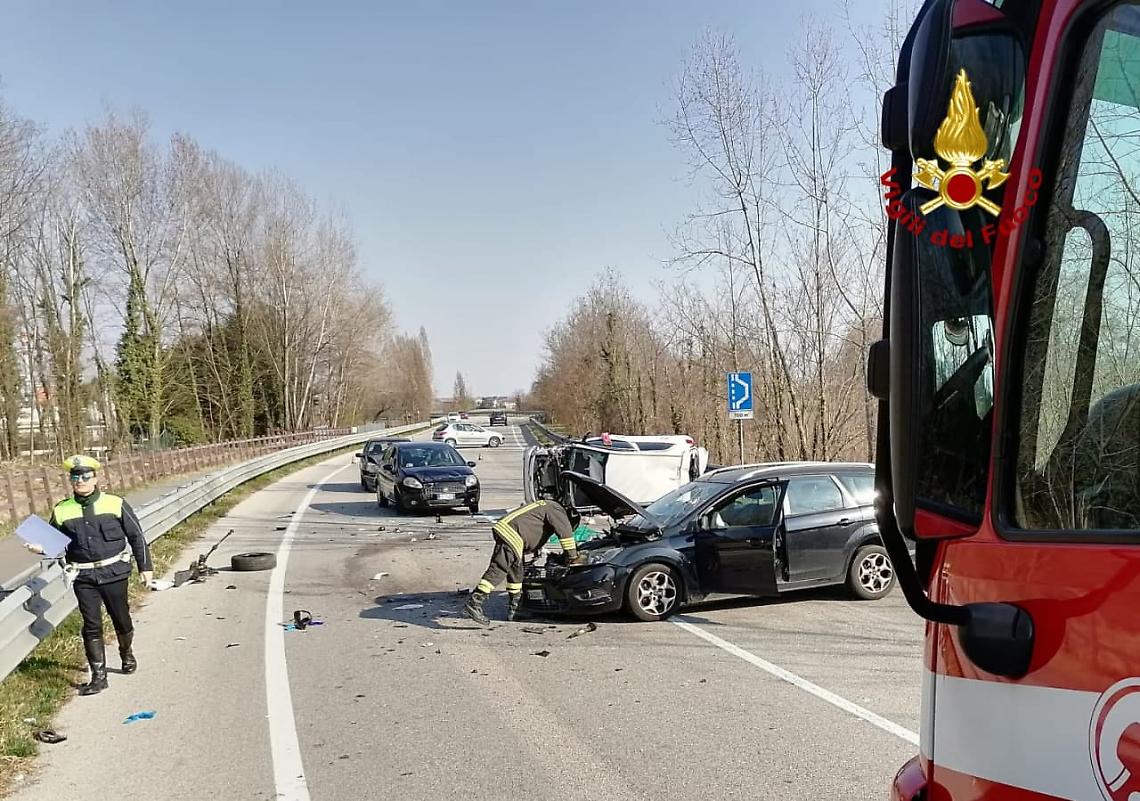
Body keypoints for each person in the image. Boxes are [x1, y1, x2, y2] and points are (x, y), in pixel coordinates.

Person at [24, 455, 153, 696]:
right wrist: (39, 548)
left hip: (114, 573)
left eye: (85, 476)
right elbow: (54, 543)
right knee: (91, 625)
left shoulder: (115, 503)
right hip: (83, 577)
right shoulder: (62, 510)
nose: (80, 481)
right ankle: (99, 677)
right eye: (75, 477)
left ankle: (126, 653)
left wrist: (145, 568)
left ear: (95, 478)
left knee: (121, 620)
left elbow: (136, 536)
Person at [463, 499, 585, 626]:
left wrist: (537, 548)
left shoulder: (548, 506)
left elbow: (533, 525)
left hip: (511, 531)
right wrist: (572, 557)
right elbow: (565, 534)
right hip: (512, 532)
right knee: (500, 567)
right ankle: (474, 602)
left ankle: (515, 610)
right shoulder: (558, 511)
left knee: (516, 571)